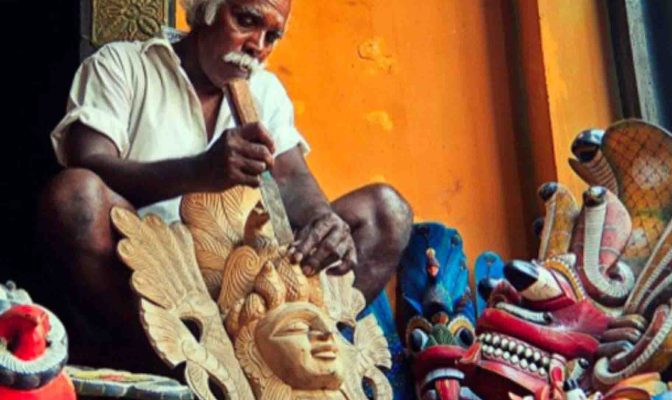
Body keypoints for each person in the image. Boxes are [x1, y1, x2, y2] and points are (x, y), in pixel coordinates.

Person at [38, 0, 413, 370]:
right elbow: (88, 160)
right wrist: (198, 172)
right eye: (247, 20)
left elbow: (292, 178)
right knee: (75, 194)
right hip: (146, 284)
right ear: (206, 10)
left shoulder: (265, 90)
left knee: (386, 211)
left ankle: (290, 362)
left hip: (245, 291)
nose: (258, 46)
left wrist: (323, 221)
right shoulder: (122, 64)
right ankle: (169, 358)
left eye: (272, 36)